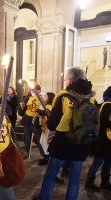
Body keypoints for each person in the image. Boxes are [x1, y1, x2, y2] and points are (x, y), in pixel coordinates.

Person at [38, 67, 96, 200]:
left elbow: (52, 124)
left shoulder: (63, 96)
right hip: (81, 144)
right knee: (74, 179)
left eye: (65, 79)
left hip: (62, 144)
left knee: (50, 175)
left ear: (70, 80)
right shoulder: (91, 98)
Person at [85, 86, 111, 191]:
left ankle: (105, 181)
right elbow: (104, 122)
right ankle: (90, 181)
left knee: (108, 161)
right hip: (104, 140)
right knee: (99, 161)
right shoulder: (108, 105)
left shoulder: (102, 104)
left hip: (105, 139)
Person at [18, 84, 46, 163]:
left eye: (34, 90)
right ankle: (27, 152)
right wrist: (22, 107)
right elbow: (20, 112)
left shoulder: (42, 96)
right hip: (27, 119)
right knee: (27, 137)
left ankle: (43, 155)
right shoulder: (27, 97)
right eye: (32, 90)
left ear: (38, 89)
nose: (33, 91)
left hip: (37, 119)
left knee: (38, 137)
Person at [37, 92, 55, 165]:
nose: (44, 97)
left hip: (48, 127)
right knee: (42, 141)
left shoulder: (49, 106)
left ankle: (47, 157)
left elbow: (47, 113)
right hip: (44, 126)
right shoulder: (46, 105)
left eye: (46, 96)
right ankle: (46, 156)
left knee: (45, 142)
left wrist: (38, 110)